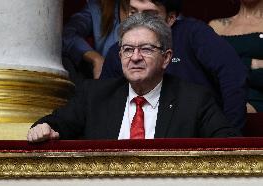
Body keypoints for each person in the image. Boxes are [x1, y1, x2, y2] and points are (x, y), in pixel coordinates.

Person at [27, 13, 240, 142]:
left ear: (166, 58)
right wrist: (44, 127)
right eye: (128, 49)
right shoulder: (94, 95)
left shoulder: (194, 100)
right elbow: (54, 123)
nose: (135, 57)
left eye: (146, 49)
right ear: (120, 56)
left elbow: (229, 144)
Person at [100, 0, 248, 129]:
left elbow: (233, 76)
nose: (139, 21)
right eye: (133, 12)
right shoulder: (118, 51)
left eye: (149, 15)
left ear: (170, 18)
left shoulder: (194, 34)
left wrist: (230, 137)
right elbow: (104, 100)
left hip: (197, 130)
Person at [209, 0, 263, 113]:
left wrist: (227, 67)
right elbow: (208, 71)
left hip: (257, 101)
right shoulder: (216, 26)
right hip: (220, 99)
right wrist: (252, 63)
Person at [62, 0, 128, 82]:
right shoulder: (98, 8)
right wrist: (96, 59)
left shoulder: (147, 10)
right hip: (108, 85)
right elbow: (67, 34)